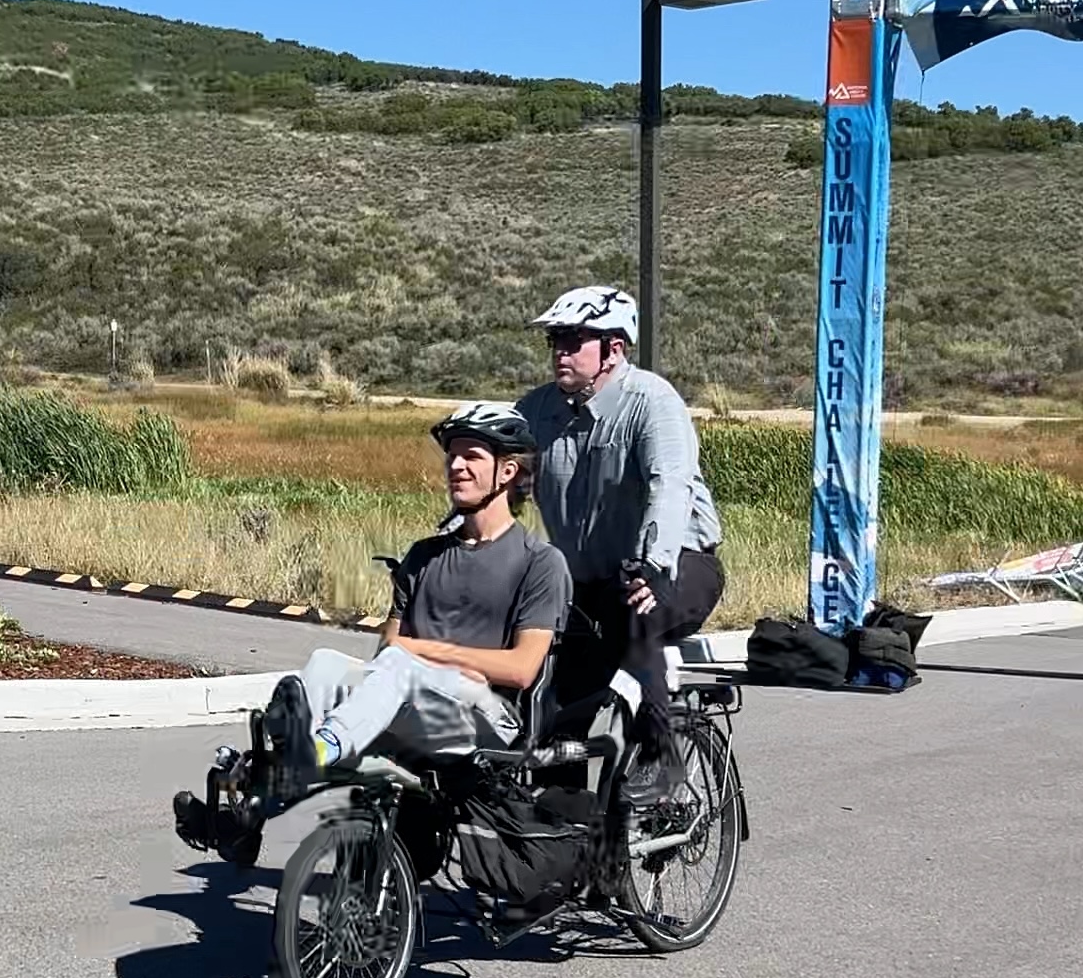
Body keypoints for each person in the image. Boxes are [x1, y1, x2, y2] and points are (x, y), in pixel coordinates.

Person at [173, 401, 573, 858]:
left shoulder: (540, 562)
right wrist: (423, 659)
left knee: (400, 664)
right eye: (452, 456)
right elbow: (388, 650)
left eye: (472, 456)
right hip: (420, 702)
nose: (456, 466)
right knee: (326, 664)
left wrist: (425, 653)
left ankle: (313, 755)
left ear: (507, 472)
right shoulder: (424, 556)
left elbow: (522, 669)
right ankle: (250, 813)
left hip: (484, 723)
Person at [514, 284, 726, 803]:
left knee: (633, 607)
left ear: (614, 348)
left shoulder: (651, 400)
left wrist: (653, 564)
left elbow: (668, 484)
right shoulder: (539, 410)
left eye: (574, 340)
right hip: (586, 583)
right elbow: (503, 483)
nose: (560, 350)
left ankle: (660, 754)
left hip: (679, 567)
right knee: (547, 702)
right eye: (556, 340)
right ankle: (555, 842)